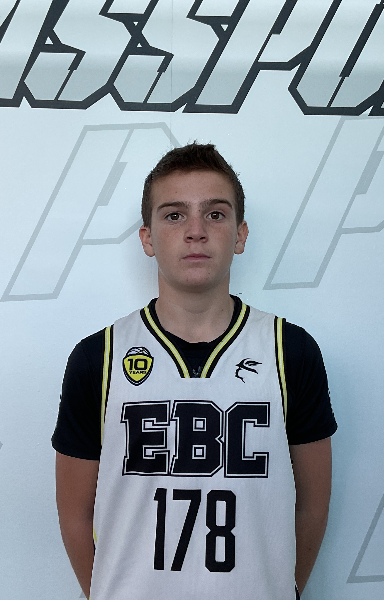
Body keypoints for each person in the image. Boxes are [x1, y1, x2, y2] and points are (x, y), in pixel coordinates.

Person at [52, 143, 337, 600]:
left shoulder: (290, 351)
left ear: (240, 235)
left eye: (215, 214)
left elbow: (313, 507)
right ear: (147, 238)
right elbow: (74, 515)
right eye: (174, 215)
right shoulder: (98, 357)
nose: (196, 232)